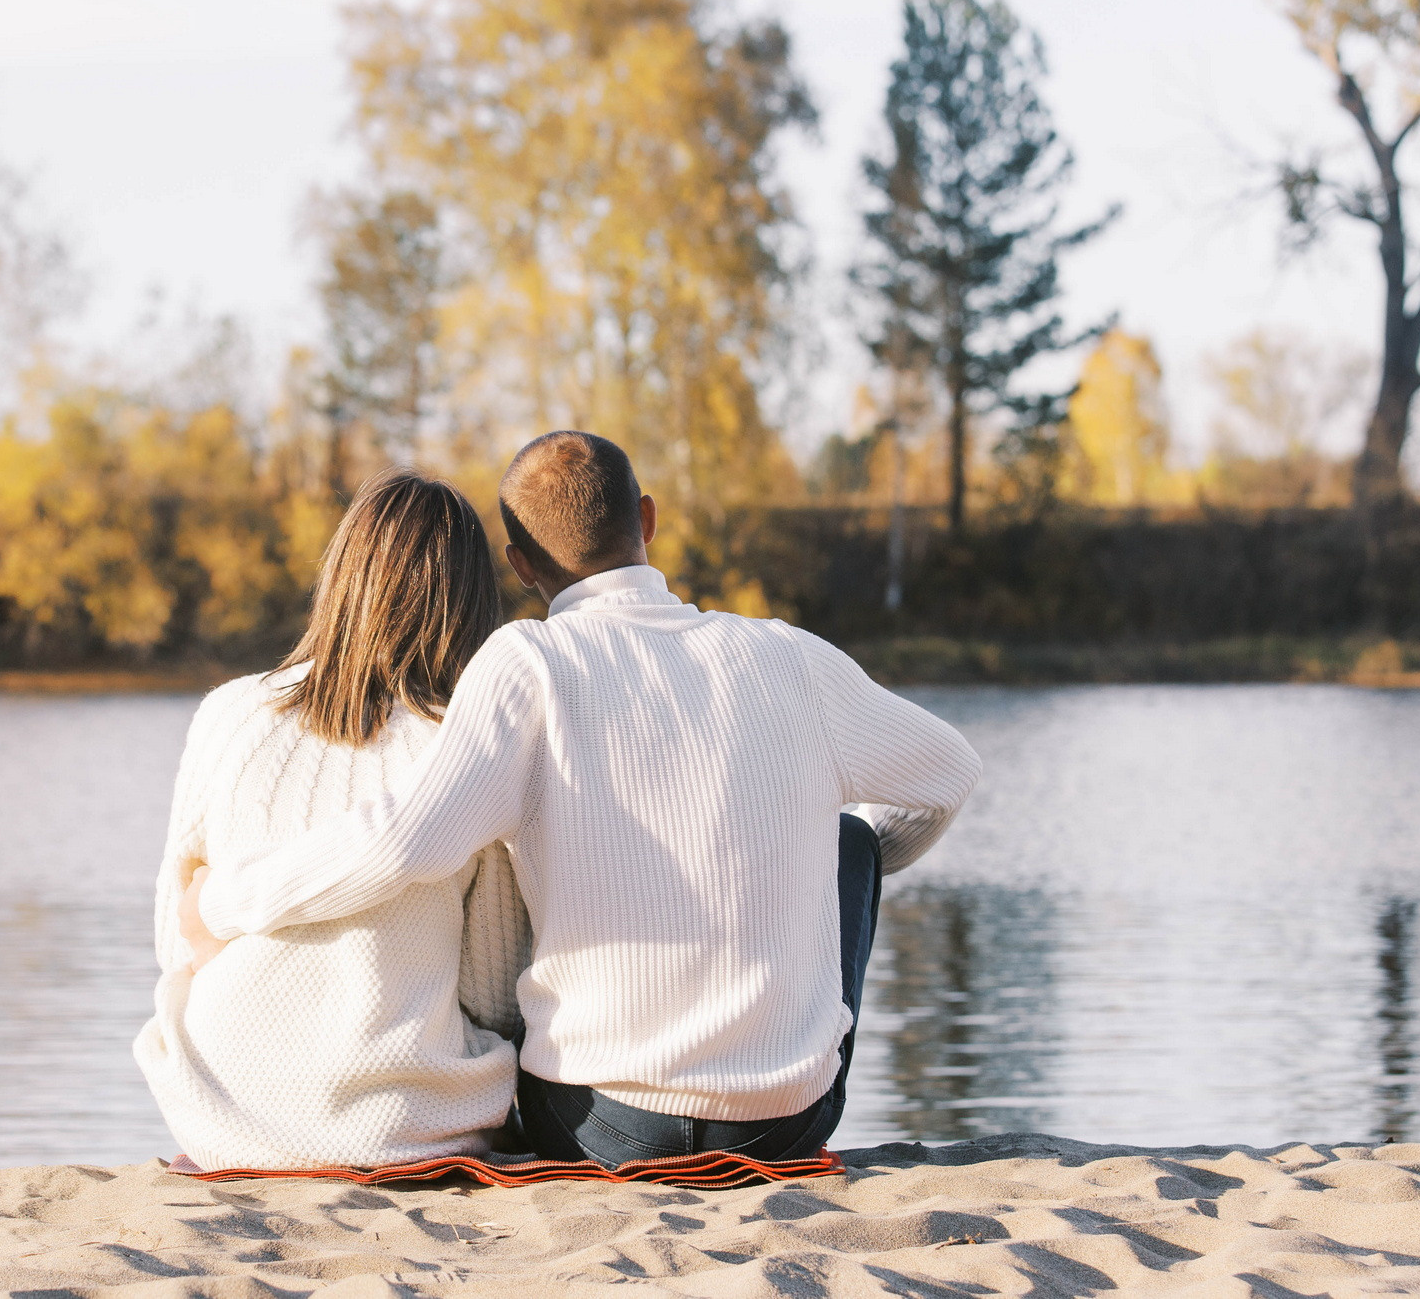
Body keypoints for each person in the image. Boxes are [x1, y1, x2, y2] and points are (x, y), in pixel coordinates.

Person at [189, 431, 981, 1168]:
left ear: (520, 564)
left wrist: (227, 900)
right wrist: (815, 854)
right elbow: (950, 773)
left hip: (599, 1125)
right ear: (648, 519)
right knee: (849, 839)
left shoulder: (526, 664)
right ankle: (779, 1053)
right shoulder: (788, 655)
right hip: (784, 1122)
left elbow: (403, 841)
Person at [134, 469, 530, 1171]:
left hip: (220, 1107)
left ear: (342, 578)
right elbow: (491, 992)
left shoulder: (231, 713)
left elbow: (177, 938)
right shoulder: (467, 750)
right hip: (396, 1122)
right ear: (471, 602)